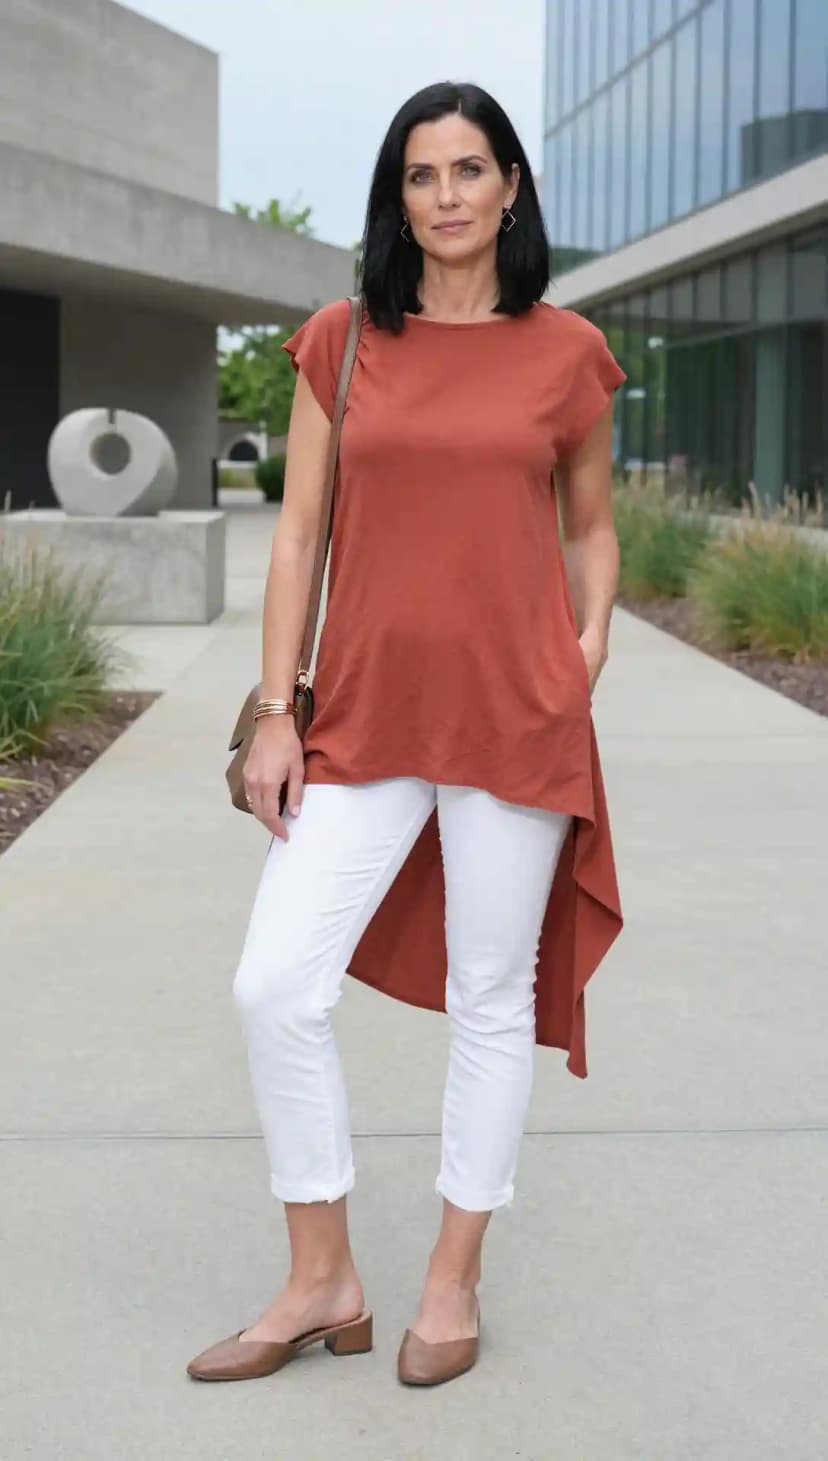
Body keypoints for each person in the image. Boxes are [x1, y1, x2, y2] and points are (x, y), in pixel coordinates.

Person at [187, 80, 626, 1389]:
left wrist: (586, 645)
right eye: (421, 174)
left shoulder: (567, 351)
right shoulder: (344, 341)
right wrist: (279, 707)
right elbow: (303, 534)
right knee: (275, 982)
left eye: (468, 170)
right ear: (398, 197)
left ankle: (452, 1276)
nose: (445, 195)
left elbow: (590, 525)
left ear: (508, 190)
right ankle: (322, 1272)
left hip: (518, 721)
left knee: (490, 1002)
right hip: (365, 720)